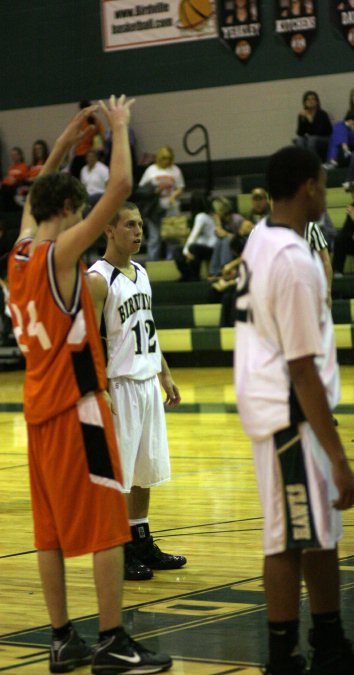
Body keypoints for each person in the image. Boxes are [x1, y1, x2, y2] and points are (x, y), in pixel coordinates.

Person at [7, 96, 172, 674]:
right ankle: (111, 642)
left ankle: (61, 639)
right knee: (106, 526)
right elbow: (121, 184)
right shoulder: (60, 253)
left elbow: (35, 194)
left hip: (37, 414)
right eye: (79, 212)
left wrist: (64, 139)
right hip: (78, 407)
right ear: (71, 210)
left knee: (49, 534)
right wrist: (119, 127)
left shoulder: (20, 250)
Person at [234, 145, 354, 675]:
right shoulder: (292, 260)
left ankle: (329, 637)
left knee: (318, 534)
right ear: (307, 185)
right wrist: (339, 455)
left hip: (283, 411)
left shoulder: (260, 238)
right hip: (292, 418)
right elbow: (303, 369)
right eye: (322, 181)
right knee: (288, 539)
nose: (325, 190)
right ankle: (283, 656)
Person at [88, 202, 186, 582]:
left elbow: (149, 329)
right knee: (120, 475)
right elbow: (90, 341)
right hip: (120, 385)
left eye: (141, 224)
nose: (138, 231)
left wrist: (166, 374)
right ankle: (119, 548)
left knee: (144, 471)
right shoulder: (97, 278)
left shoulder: (142, 272)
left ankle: (140, 539)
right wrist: (99, 388)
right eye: (130, 224)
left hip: (146, 381)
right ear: (109, 231)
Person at [138, 146, 185, 261]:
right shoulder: (151, 170)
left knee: (171, 237)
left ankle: (171, 261)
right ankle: (153, 263)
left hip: (170, 207)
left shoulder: (175, 170)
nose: (166, 161)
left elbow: (180, 187)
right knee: (155, 237)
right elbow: (142, 188)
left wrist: (174, 195)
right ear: (159, 158)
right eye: (164, 158)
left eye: (169, 158)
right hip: (155, 208)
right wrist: (155, 191)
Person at [173, 190, 216, 281]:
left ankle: (195, 276)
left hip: (210, 249)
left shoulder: (201, 216)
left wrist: (186, 250)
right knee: (177, 250)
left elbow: (194, 236)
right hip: (202, 248)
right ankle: (187, 275)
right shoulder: (205, 216)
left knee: (192, 248)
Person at [70, 100, 106, 179]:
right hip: (84, 155)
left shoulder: (78, 121)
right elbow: (104, 138)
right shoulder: (95, 121)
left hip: (85, 155)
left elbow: (103, 138)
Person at [294, 91, 332, 162]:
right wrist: (302, 120)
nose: (310, 101)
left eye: (313, 99)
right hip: (312, 138)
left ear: (317, 102)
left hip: (325, 139)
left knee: (312, 139)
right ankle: (302, 163)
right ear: (305, 102)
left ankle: (314, 163)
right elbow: (300, 133)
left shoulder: (322, 114)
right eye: (308, 99)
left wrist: (310, 120)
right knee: (300, 140)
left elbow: (319, 131)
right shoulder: (303, 115)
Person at [332, 181, 354, 275]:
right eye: (352, 192)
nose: (353, 194)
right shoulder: (352, 206)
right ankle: (337, 272)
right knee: (340, 240)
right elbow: (346, 230)